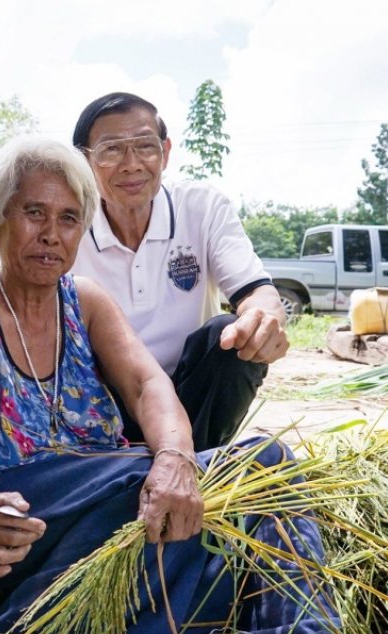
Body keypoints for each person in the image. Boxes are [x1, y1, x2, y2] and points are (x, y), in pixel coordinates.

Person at [0, 136, 344, 634]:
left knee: (260, 471)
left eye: (70, 218)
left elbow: (149, 384)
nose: (52, 233)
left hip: (112, 497)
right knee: (174, 482)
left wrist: (175, 459)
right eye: (34, 213)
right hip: (11, 521)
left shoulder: (85, 300)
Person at [70, 92, 288, 451]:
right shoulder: (68, 224)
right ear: (83, 161)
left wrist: (264, 319)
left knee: (230, 335)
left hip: (191, 400)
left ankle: (189, 463)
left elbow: (255, 291)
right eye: (111, 150)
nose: (131, 164)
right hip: (101, 404)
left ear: (166, 152)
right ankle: (125, 464)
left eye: (145, 146)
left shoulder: (201, 207)